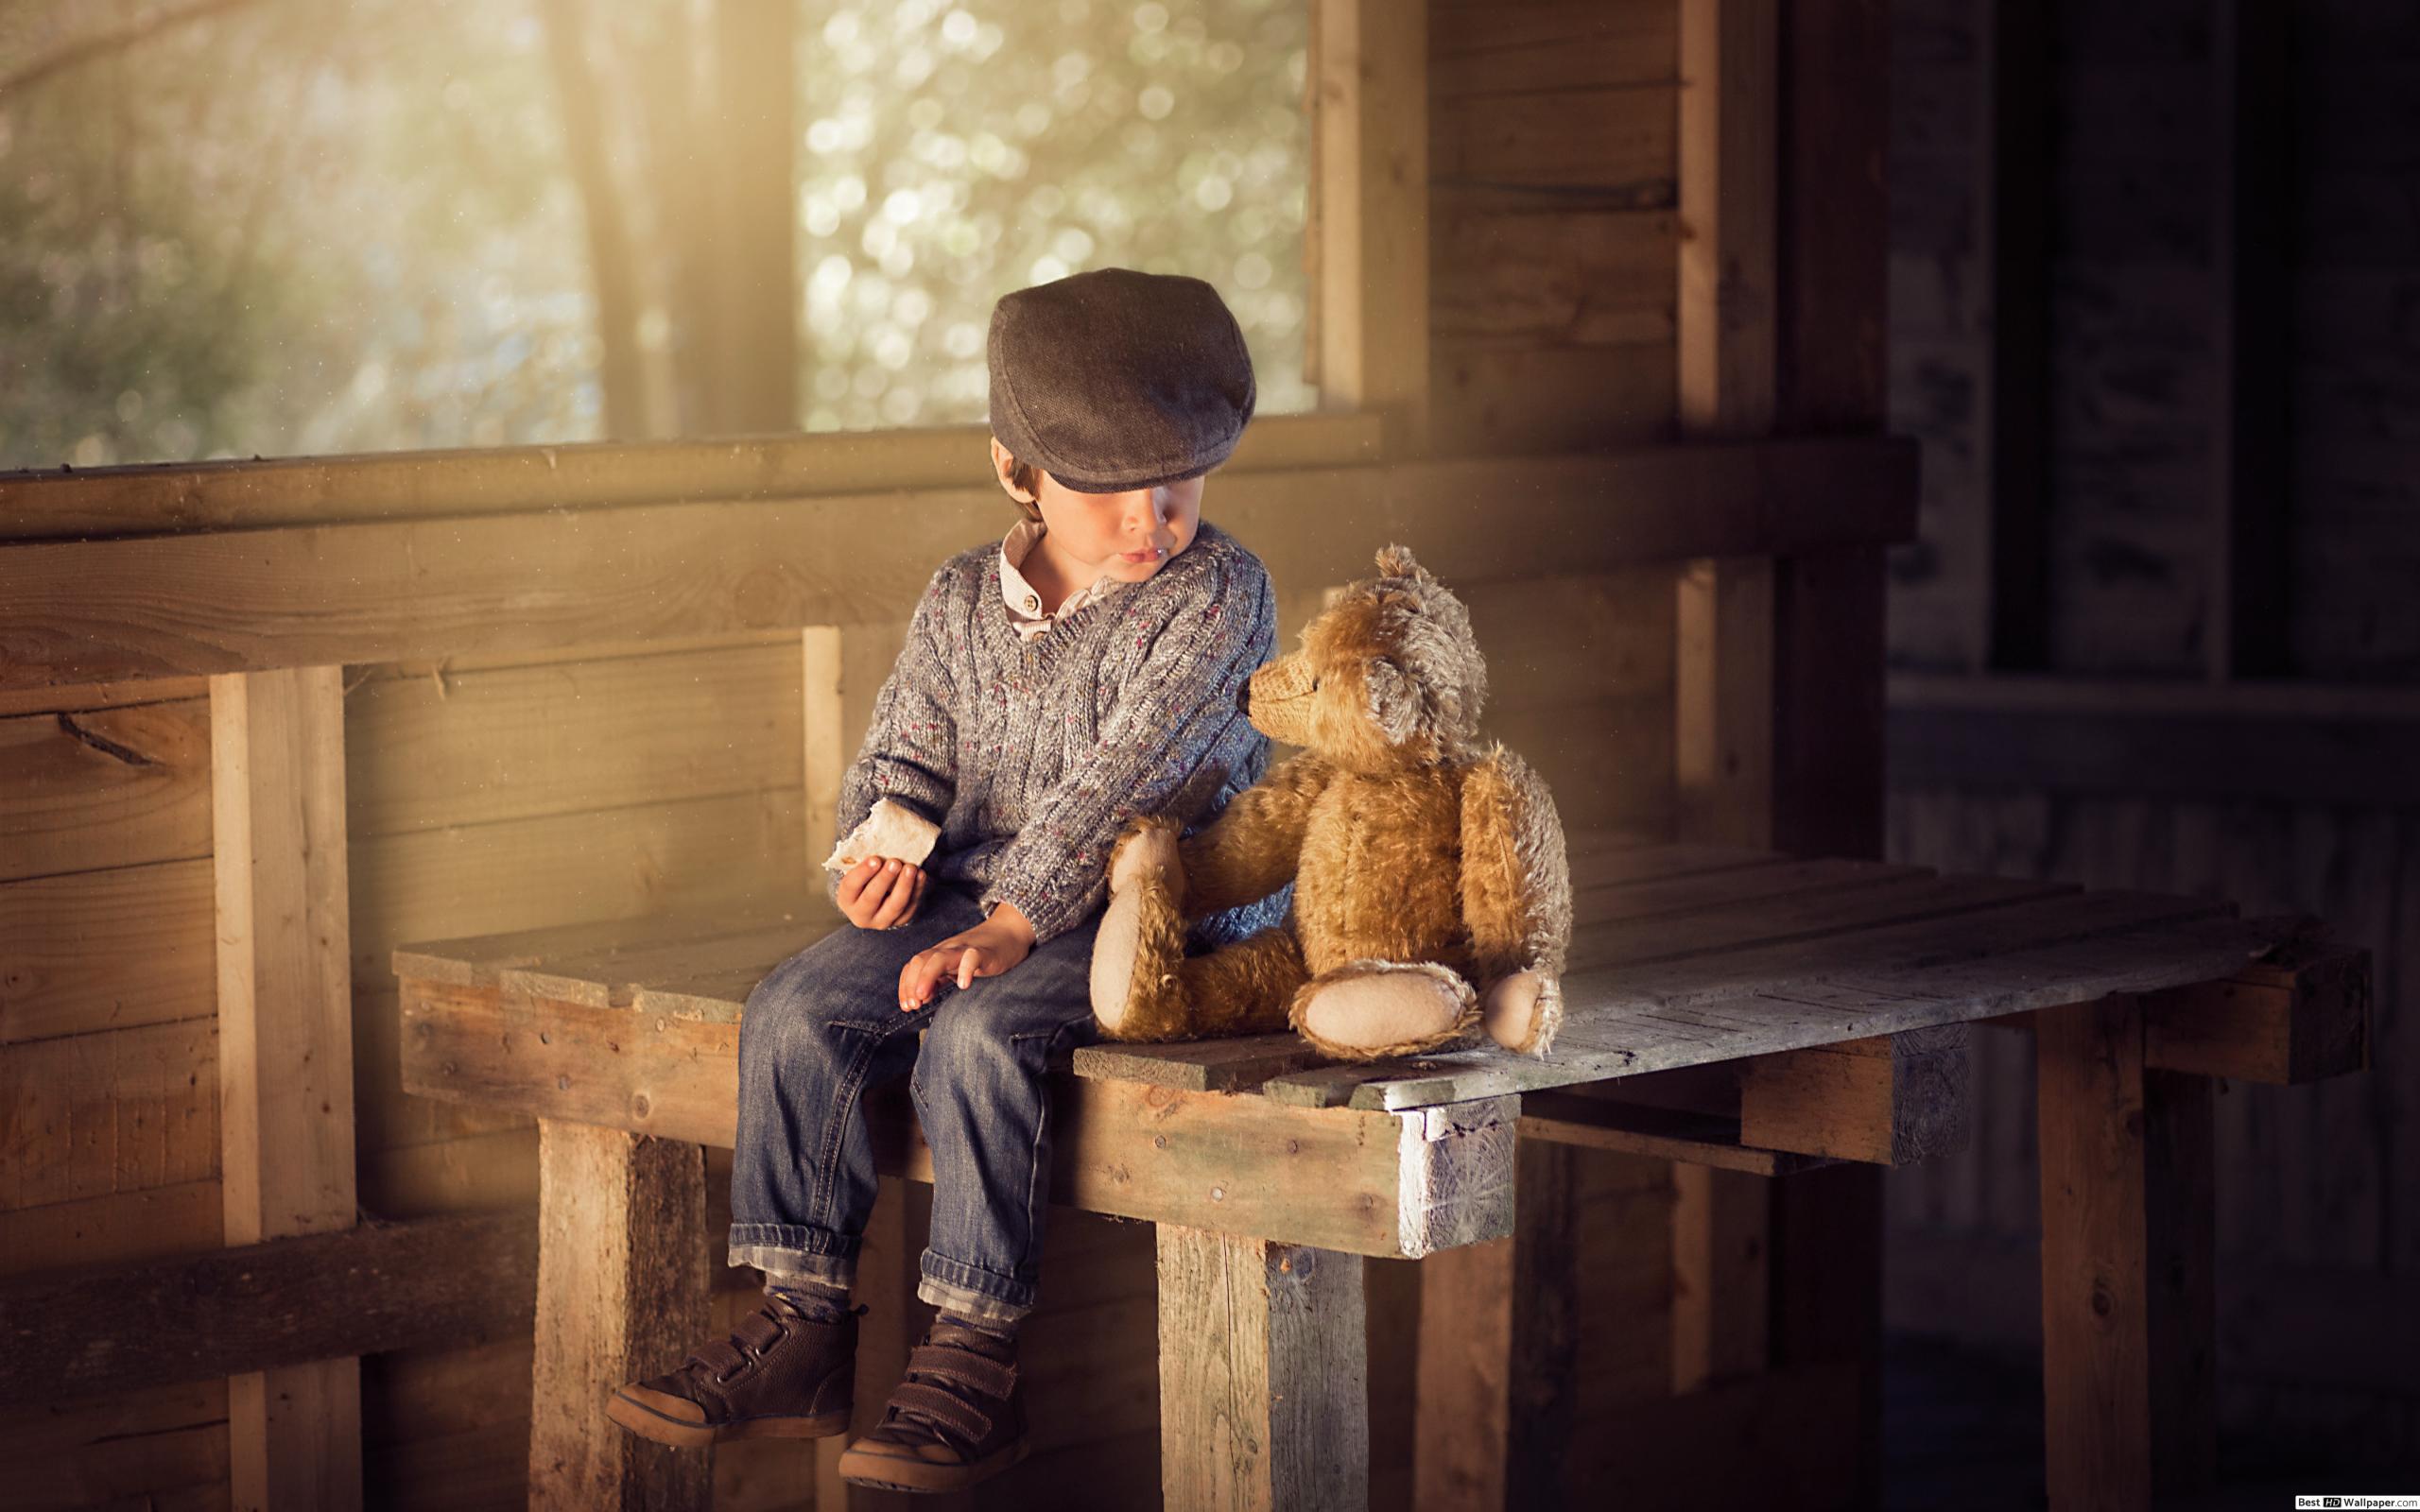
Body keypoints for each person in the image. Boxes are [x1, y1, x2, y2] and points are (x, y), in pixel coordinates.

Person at [605, 266, 1286, 1496]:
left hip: (1154, 899)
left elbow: (1134, 775)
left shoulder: (1219, 595)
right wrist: (879, 845)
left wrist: (1019, 923)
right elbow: (908, 749)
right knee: (798, 1007)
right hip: (983, 894)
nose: (1150, 519)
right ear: (1014, 470)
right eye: (1106, 489)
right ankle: (804, 1319)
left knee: (977, 1034)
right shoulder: (961, 596)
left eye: (1177, 482)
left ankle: (974, 1358)